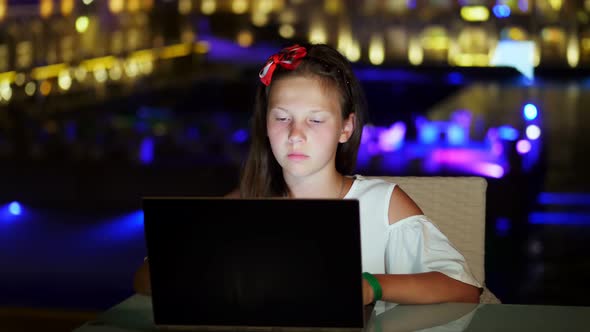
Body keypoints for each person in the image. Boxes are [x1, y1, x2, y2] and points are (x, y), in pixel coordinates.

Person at [134, 43, 482, 305]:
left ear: (346, 127)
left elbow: (463, 287)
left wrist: (369, 285)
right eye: (282, 118)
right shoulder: (242, 206)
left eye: (315, 120)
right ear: (265, 124)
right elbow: (146, 279)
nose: (295, 134)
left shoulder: (381, 205)